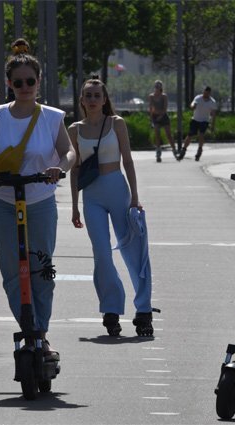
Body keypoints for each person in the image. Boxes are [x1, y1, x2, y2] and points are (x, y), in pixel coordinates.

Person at [0, 42, 76, 358]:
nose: (25, 87)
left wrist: (60, 167)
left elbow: (69, 151)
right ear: (9, 84)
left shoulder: (52, 117)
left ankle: (41, 332)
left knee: (41, 268)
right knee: (13, 272)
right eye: (18, 82)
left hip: (40, 199)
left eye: (30, 81)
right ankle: (29, 328)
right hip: (3, 200)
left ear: (39, 82)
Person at [69, 76, 155, 337]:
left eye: (97, 95)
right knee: (102, 253)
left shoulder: (116, 123)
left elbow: (127, 161)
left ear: (105, 100)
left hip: (118, 189)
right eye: (88, 95)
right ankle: (111, 309)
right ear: (82, 100)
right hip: (91, 196)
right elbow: (74, 170)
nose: (93, 100)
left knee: (133, 249)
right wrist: (74, 207)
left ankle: (143, 311)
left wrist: (135, 197)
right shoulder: (74, 129)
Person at [177, 86, 217, 161]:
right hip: (195, 119)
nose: (206, 94)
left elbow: (214, 114)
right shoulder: (198, 98)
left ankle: (199, 150)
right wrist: (193, 106)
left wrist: (212, 125)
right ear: (203, 91)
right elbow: (193, 104)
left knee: (201, 135)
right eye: (205, 92)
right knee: (190, 135)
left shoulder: (212, 102)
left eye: (207, 93)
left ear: (209, 93)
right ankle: (183, 150)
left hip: (205, 120)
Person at [147, 80, 177, 162]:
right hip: (155, 117)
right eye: (156, 86)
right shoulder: (151, 96)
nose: (157, 88)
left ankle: (174, 150)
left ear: (161, 88)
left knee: (168, 135)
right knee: (157, 134)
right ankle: (158, 152)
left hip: (163, 116)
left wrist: (161, 115)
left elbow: (165, 108)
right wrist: (151, 118)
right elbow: (150, 108)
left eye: (158, 86)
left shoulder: (164, 96)